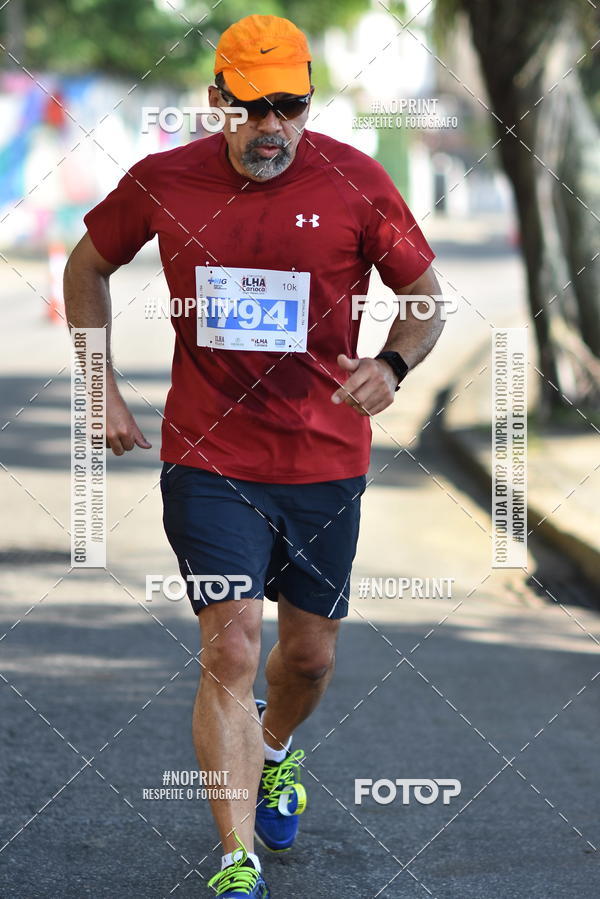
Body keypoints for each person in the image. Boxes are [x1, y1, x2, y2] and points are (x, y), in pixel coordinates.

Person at [64, 13, 444, 898]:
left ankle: (275, 748)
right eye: (253, 107)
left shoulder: (356, 182)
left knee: (307, 659)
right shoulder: (163, 180)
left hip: (324, 459)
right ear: (217, 101)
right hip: (209, 456)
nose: (273, 126)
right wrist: (97, 386)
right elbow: (85, 269)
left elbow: (424, 298)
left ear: (308, 103)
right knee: (231, 644)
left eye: (291, 107)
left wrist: (392, 364)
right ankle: (236, 861)